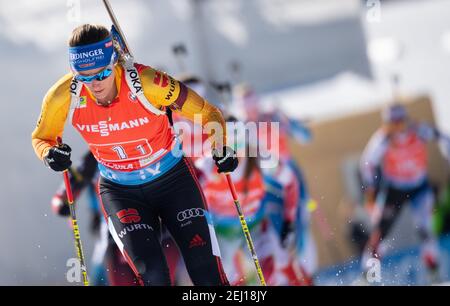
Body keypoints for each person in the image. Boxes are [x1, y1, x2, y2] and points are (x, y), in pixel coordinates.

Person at [31, 24, 238, 286]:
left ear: (114, 63)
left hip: (172, 180)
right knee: (151, 275)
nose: (94, 85)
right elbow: (41, 137)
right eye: (83, 77)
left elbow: (208, 113)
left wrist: (220, 147)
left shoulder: (148, 83)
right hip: (120, 191)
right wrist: (49, 154)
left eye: (103, 73)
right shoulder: (63, 95)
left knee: (205, 270)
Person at [360, 103, 450, 282]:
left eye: (398, 120)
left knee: (426, 229)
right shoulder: (383, 138)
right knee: (380, 234)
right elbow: (367, 162)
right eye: (391, 122)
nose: (395, 125)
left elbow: (444, 138)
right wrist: (372, 188)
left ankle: (434, 274)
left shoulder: (419, 131)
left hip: (419, 187)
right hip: (395, 189)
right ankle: (369, 278)